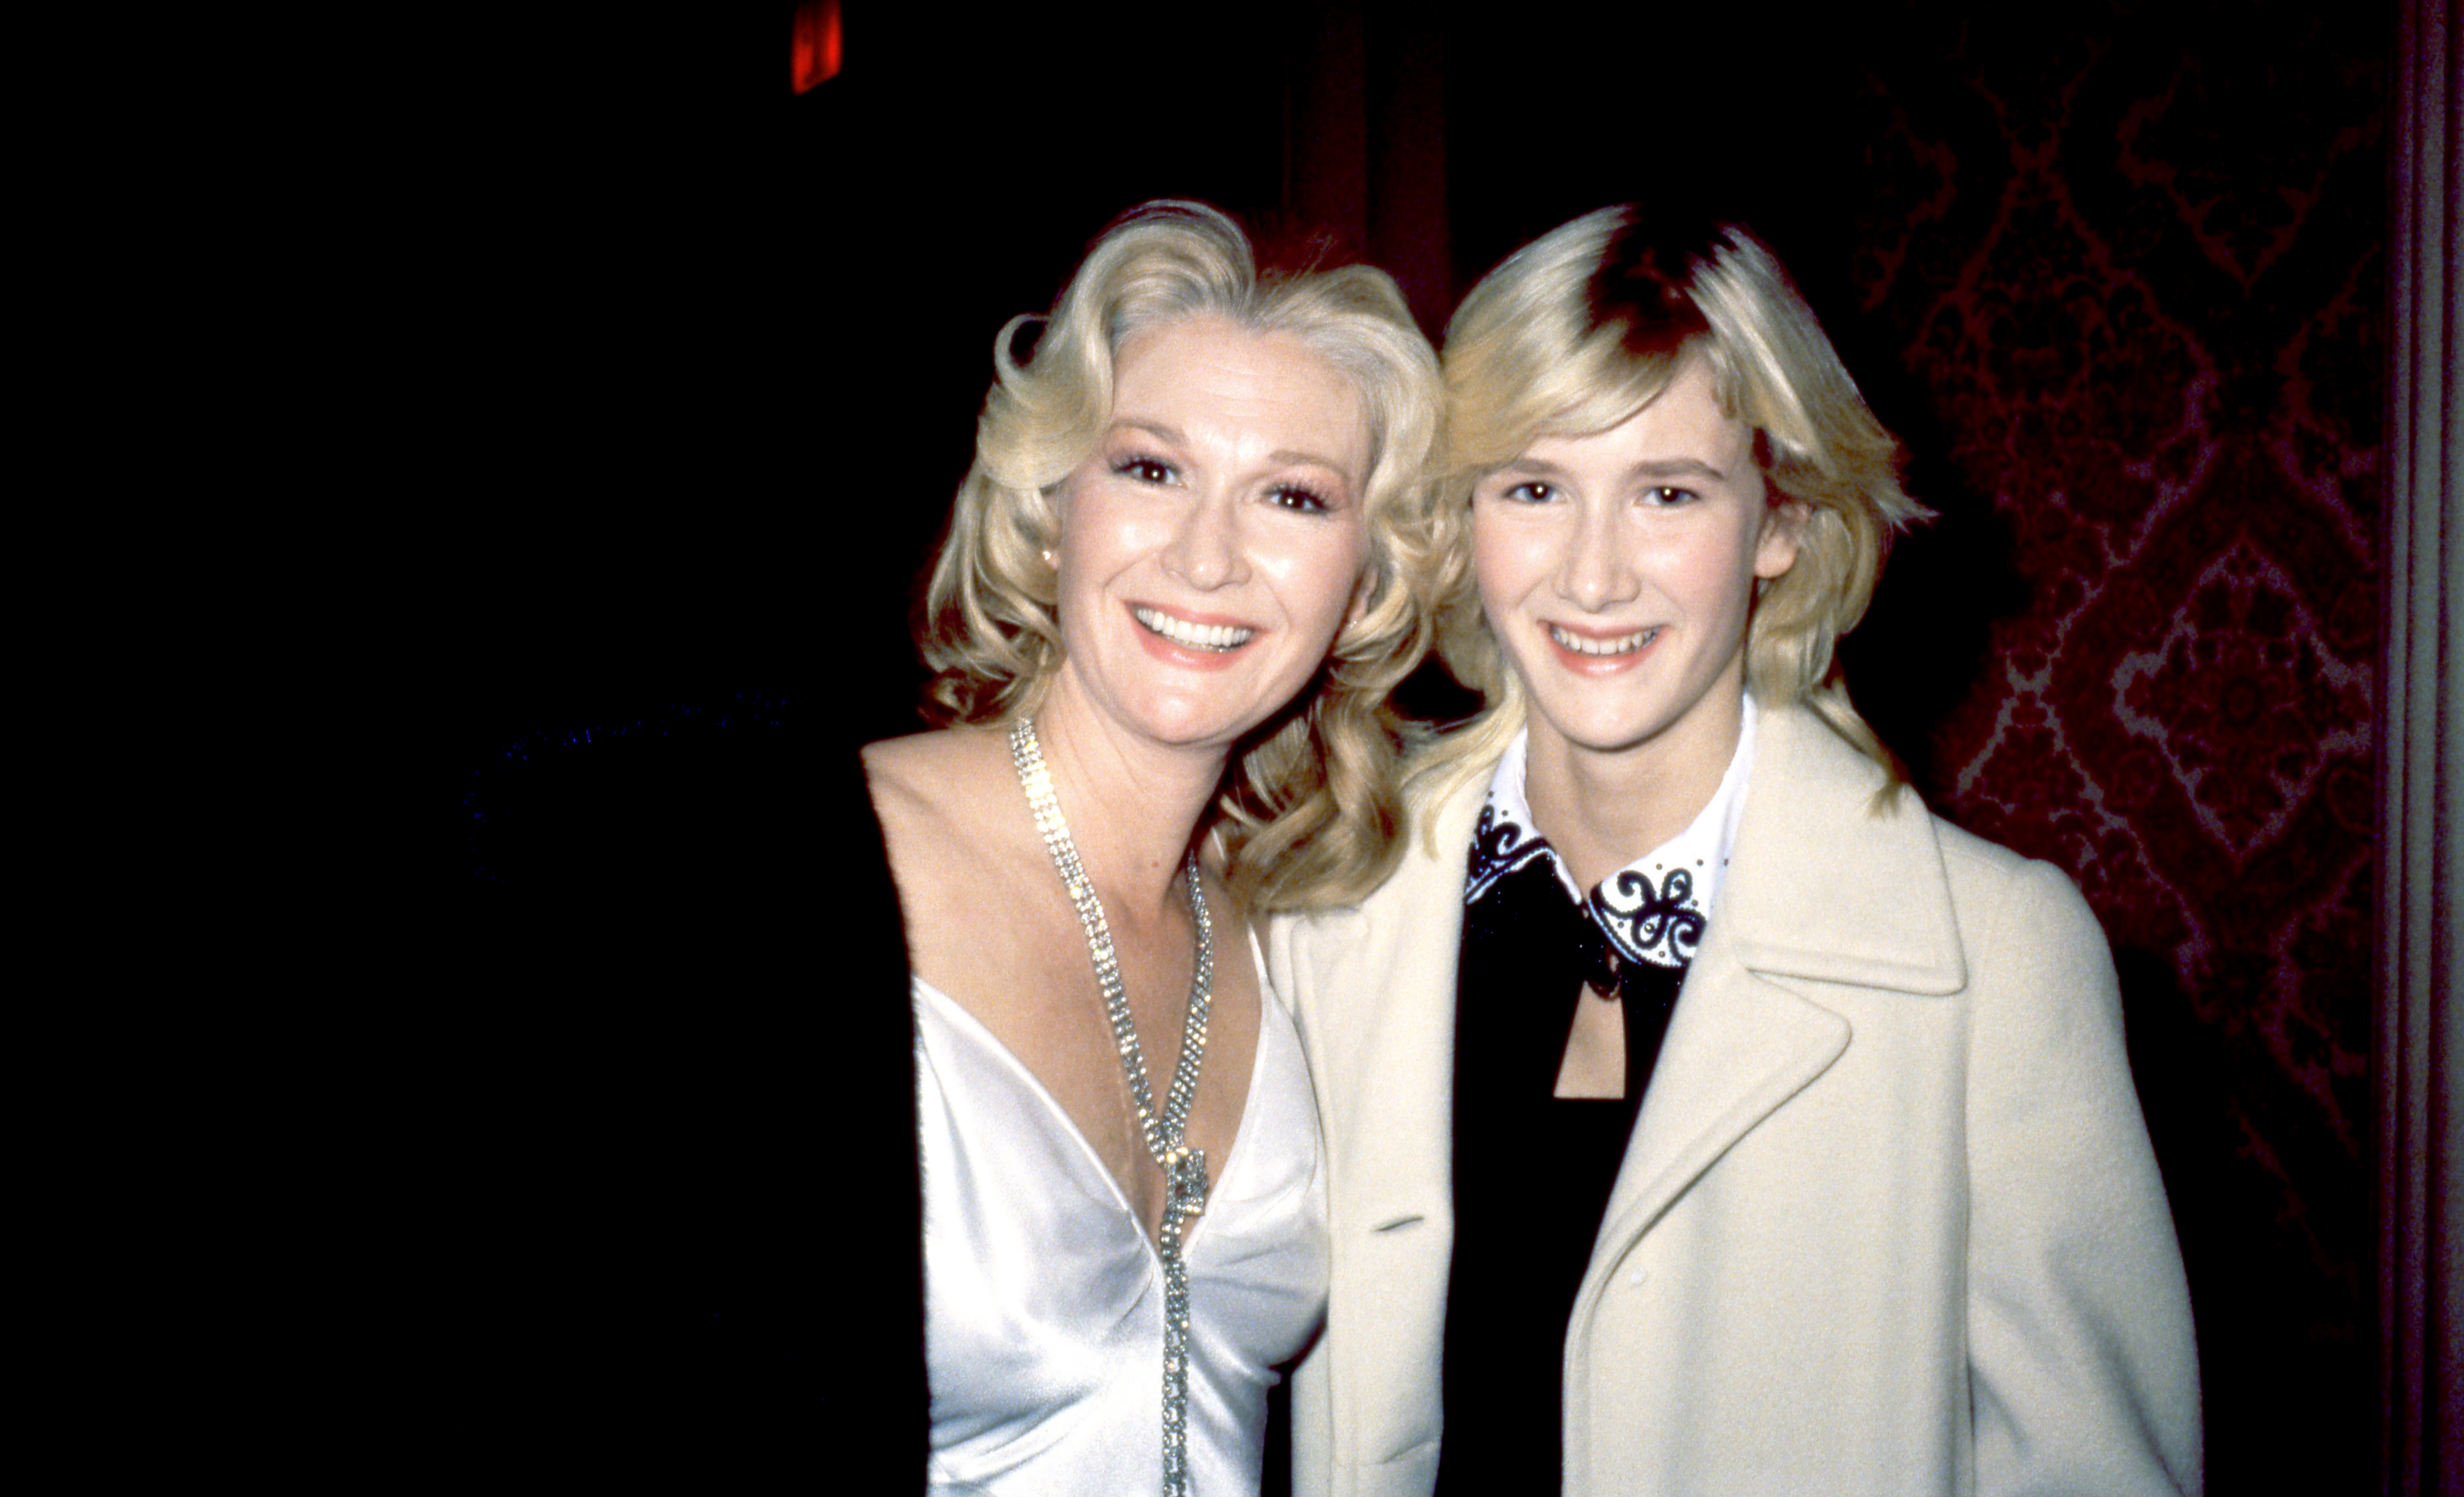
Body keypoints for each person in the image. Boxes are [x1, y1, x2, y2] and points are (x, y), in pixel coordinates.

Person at [1267, 206, 2202, 1496]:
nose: (1592, 577)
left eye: (1667, 493)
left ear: (1780, 526)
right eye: (1533, 489)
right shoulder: (1322, 907)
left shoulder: (1994, 960)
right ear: (1457, 519)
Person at [857, 200, 1444, 1494]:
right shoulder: (825, 862)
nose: (1206, 555)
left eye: (1291, 496)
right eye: (1150, 467)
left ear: (1366, 579)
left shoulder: (1298, 932)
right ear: (1052, 502)